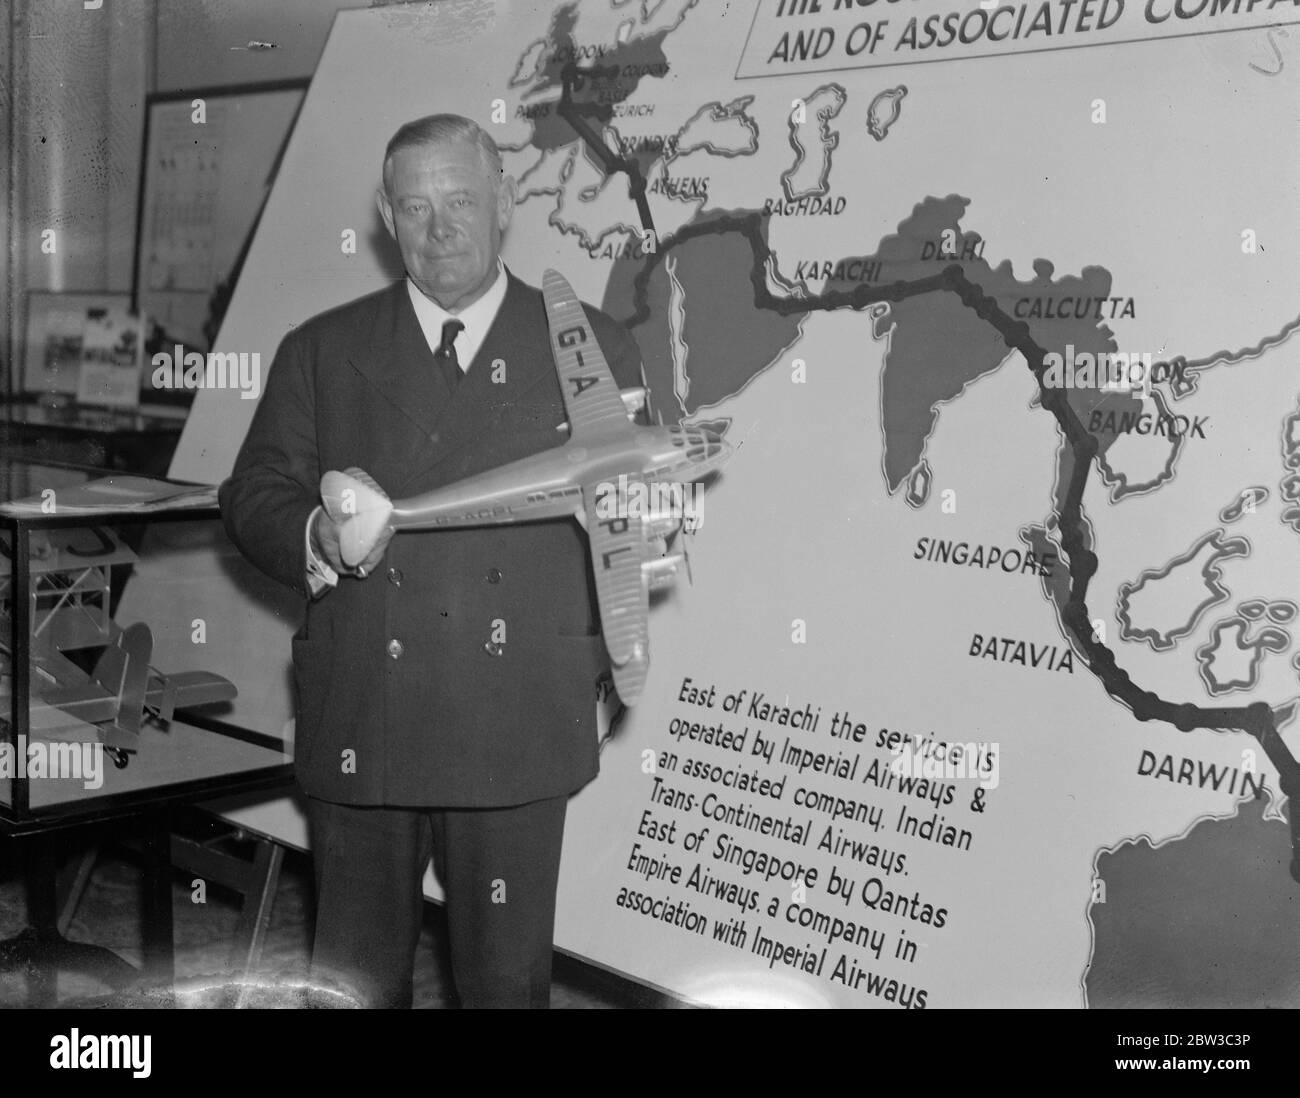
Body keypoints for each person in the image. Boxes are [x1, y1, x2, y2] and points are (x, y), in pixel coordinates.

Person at [219, 113, 645, 1008]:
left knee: (505, 984)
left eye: (461, 201)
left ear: (505, 204)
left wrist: (608, 661)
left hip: (519, 712)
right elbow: (251, 492)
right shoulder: (323, 347)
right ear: (384, 213)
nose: (440, 229)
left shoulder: (591, 345)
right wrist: (318, 536)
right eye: (415, 207)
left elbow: (627, 516)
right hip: (368, 709)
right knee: (354, 982)